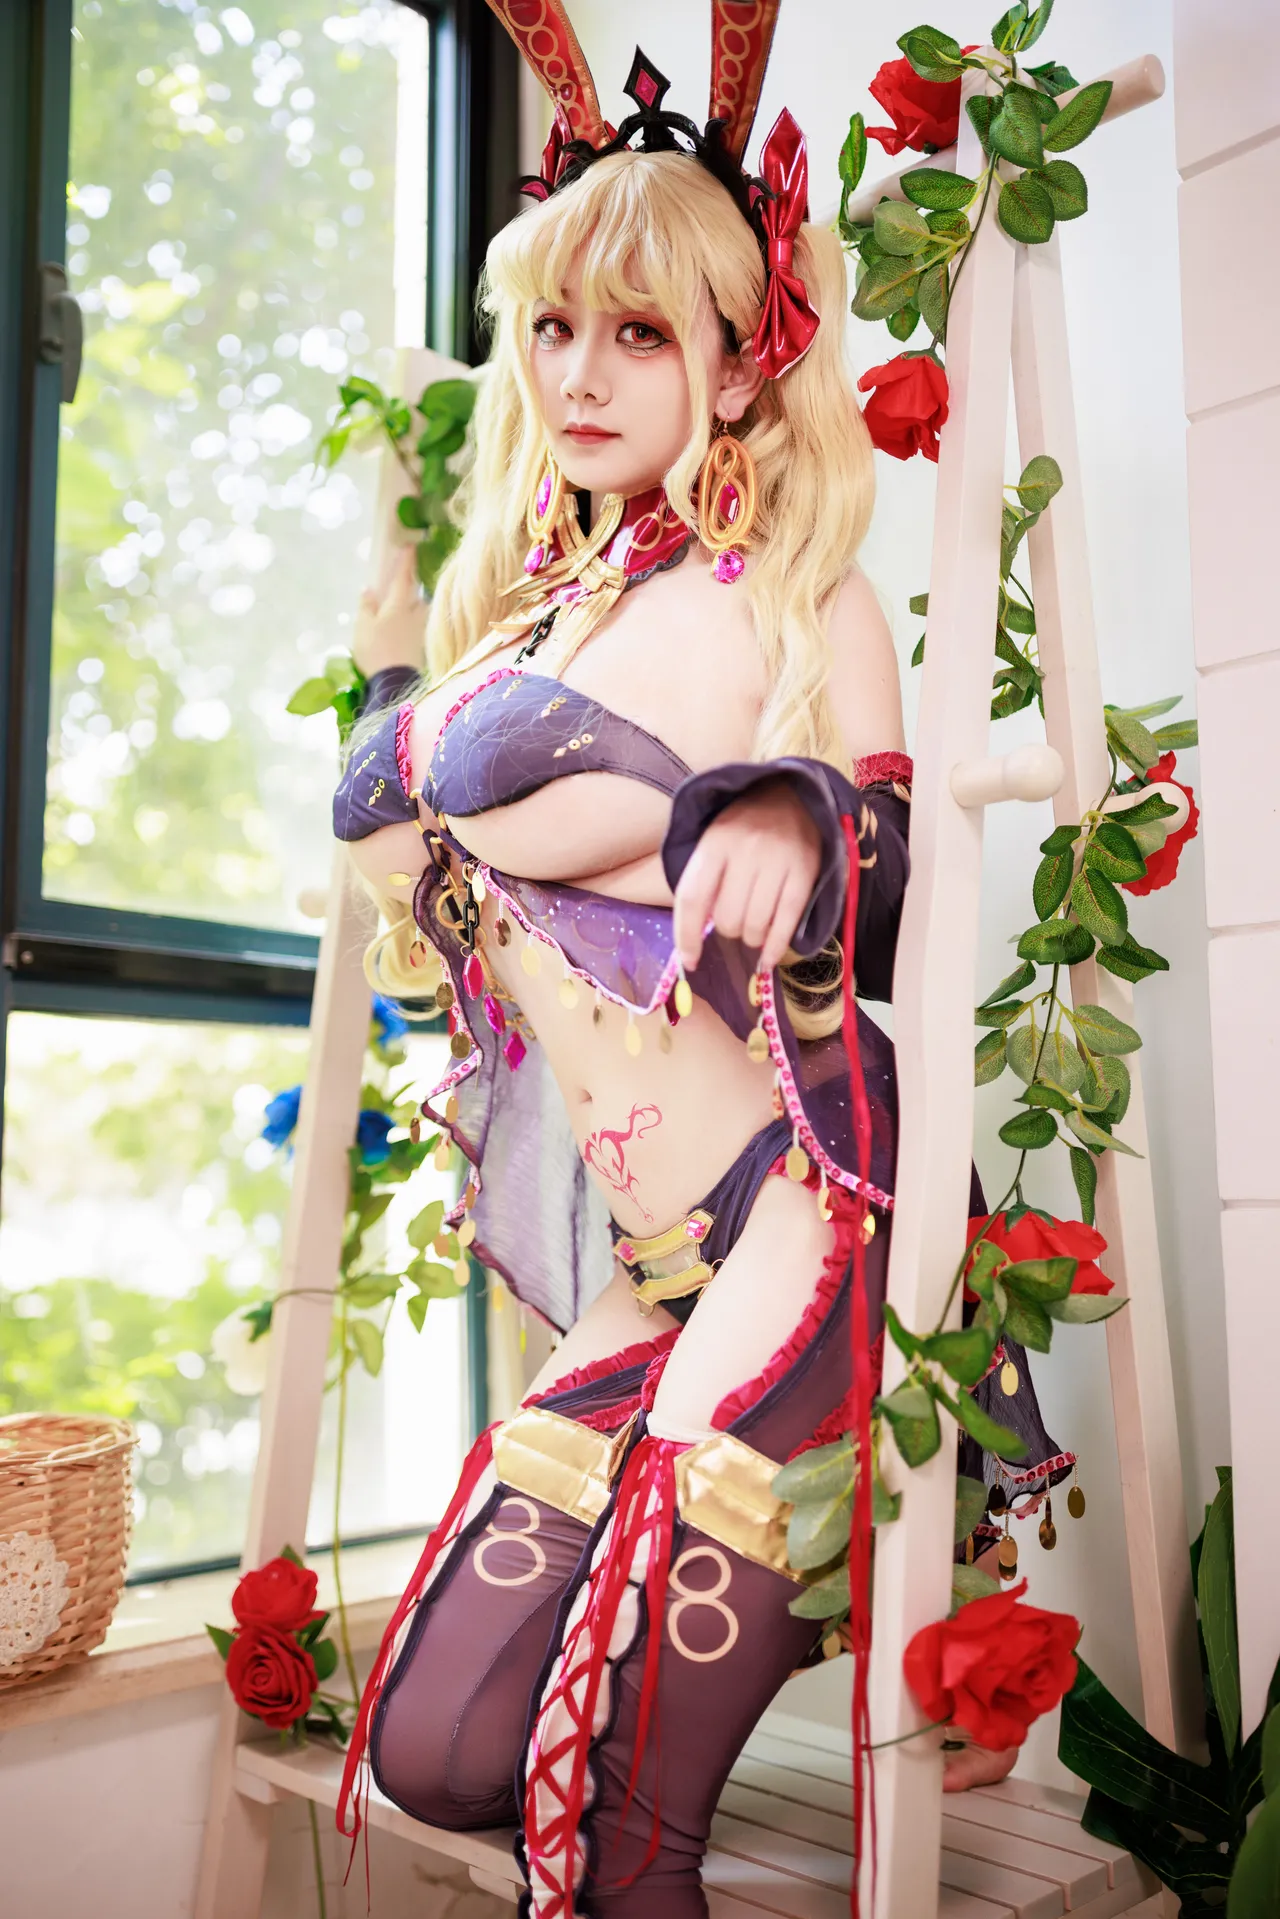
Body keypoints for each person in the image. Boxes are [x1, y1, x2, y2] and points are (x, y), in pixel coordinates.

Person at [331, 7, 1073, 1912]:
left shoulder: (795, 599)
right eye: (554, 326)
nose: (580, 375)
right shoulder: (547, 612)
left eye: (642, 333)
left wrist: (803, 819)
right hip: (656, 1265)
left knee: (613, 1843)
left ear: (742, 366)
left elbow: (896, 883)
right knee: (436, 1756)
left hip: (803, 1215)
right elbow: (384, 808)